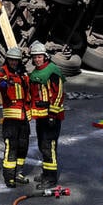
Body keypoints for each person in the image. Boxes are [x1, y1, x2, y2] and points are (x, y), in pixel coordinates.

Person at [27, 42, 64, 190]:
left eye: (40, 57)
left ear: (45, 56)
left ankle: (51, 178)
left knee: (50, 147)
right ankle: (46, 173)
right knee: (43, 146)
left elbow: (58, 93)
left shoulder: (52, 71)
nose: (37, 59)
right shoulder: (36, 72)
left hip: (51, 116)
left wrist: (52, 115)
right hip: (41, 116)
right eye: (35, 57)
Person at [0, 46, 31, 188]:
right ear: (7, 60)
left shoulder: (23, 73)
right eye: (11, 60)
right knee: (11, 147)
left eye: (16, 60)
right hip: (11, 118)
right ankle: (9, 176)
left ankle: (18, 173)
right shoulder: (3, 71)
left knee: (23, 146)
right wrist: (4, 83)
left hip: (24, 116)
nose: (13, 62)